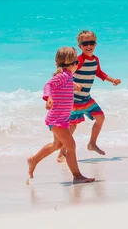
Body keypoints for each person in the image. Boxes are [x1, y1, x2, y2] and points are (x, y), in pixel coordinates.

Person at [26, 46, 95, 184]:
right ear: (70, 64)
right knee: (71, 146)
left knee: (57, 145)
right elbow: (48, 85)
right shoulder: (62, 76)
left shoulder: (67, 77)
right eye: (76, 63)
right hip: (57, 120)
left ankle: (33, 160)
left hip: (61, 119)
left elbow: (63, 83)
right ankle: (77, 175)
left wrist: (74, 84)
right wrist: (48, 97)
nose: (77, 65)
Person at [57, 30, 121, 163]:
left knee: (100, 117)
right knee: (72, 127)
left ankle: (92, 143)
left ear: (95, 44)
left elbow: (99, 72)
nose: (88, 46)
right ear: (80, 46)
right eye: (85, 43)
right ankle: (62, 152)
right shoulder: (78, 60)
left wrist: (112, 80)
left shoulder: (95, 59)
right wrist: (74, 83)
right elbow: (64, 73)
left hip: (86, 98)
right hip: (74, 100)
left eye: (91, 42)